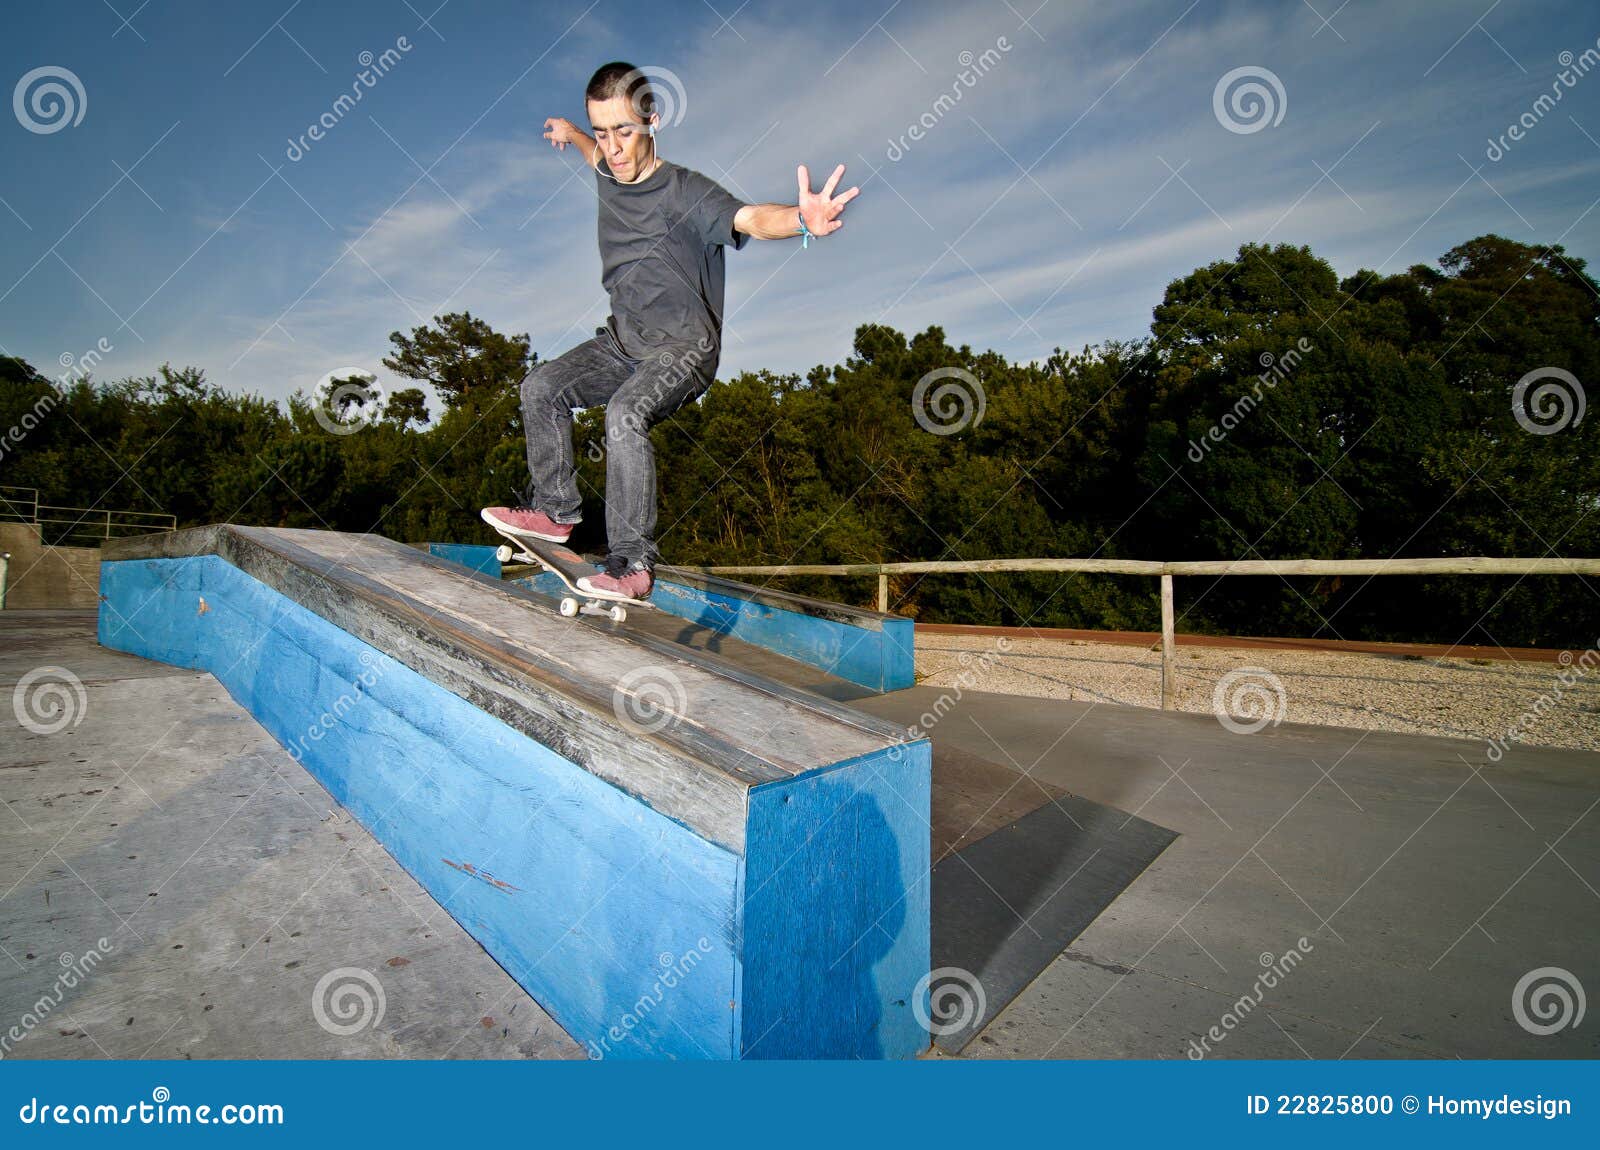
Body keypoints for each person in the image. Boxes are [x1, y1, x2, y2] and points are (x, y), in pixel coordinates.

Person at [481, 61, 859, 601]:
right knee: (540, 387)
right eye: (604, 131)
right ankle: (556, 511)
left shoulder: (687, 194)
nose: (613, 149)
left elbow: (749, 218)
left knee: (624, 413)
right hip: (623, 344)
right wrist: (573, 133)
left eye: (626, 132)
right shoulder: (609, 167)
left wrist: (799, 220)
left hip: (684, 351)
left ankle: (632, 563)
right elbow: (595, 154)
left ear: (652, 122)